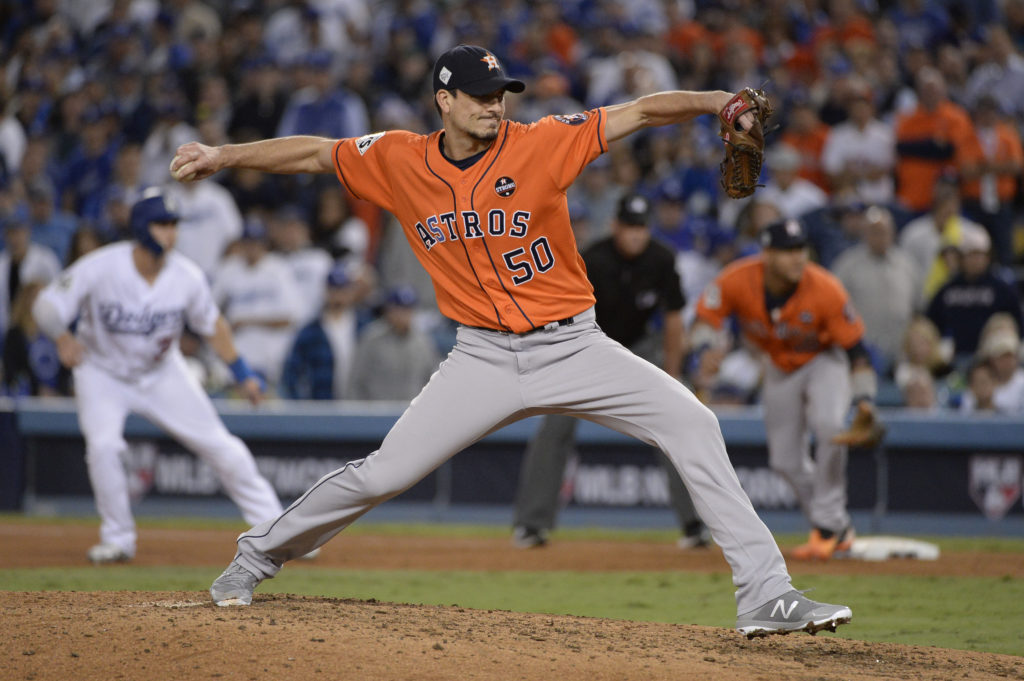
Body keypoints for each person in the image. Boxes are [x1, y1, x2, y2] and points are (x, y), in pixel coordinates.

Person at [172, 44, 852, 638]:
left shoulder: (542, 141)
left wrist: (714, 102)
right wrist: (224, 155)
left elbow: (640, 112)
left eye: (501, 95)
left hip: (575, 346)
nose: (495, 106)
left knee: (694, 423)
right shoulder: (398, 159)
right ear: (444, 100)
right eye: (480, 96)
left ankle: (765, 594)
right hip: (482, 356)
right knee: (384, 472)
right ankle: (255, 557)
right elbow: (317, 154)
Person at [31, 190, 285, 564]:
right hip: (102, 372)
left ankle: (277, 531)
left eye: (174, 225)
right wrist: (62, 336)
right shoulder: (101, 265)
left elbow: (213, 326)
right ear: (140, 227)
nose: (171, 233)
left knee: (220, 445)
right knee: (103, 448)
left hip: (162, 372)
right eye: (162, 224)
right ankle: (118, 540)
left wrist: (243, 373)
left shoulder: (186, 275)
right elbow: (45, 304)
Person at [511, 193, 710, 550]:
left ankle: (695, 524)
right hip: (586, 345)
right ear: (616, 226)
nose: (636, 234)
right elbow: (564, 316)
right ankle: (531, 523)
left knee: (676, 421)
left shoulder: (661, 259)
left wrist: (674, 373)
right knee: (554, 428)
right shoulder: (594, 260)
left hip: (638, 346)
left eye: (642, 227)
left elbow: (674, 318)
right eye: (630, 227)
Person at [692, 218, 878, 561]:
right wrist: (705, 351)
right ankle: (835, 527)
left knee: (830, 428)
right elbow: (705, 318)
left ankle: (829, 528)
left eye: (800, 249)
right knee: (784, 461)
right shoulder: (738, 279)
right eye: (787, 251)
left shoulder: (825, 287)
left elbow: (858, 352)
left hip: (825, 360)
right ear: (767, 254)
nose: (797, 258)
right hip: (778, 365)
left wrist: (865, 398)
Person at [279, 263, 363, 400]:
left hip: (357, 404)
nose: (338, 296)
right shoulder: (310, 332)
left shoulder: (364, 328)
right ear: (326, 291)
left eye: (343, 290)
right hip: (321, 402)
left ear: (351, 292)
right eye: (334, 290)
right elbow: (291, 373)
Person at [350, 285, 441, 401]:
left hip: (411, 413)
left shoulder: (423, 343)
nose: (402, 315)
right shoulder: (371, 339)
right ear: (388, 310)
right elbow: (355, 381)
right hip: (375, 413)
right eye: (398, 309)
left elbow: (430, 381)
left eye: (407, 310)